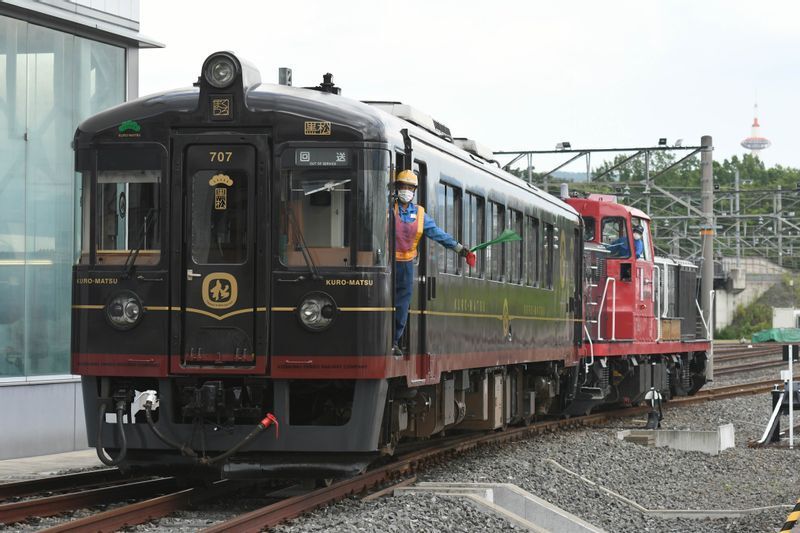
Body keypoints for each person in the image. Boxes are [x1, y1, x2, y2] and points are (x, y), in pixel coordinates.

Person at [393, 170, 470, 356]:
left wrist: (460, 249)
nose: (406, 190)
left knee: (402, 305)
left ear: (414, 190)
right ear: (397, 188)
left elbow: (438, 234)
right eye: (402, 186)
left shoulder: (420, 214)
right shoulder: (387, 208)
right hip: (386, 263)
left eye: (409, 187)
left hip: (406, 265)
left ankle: (394, 341)